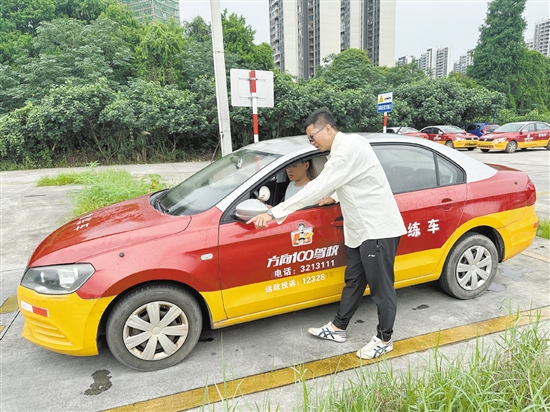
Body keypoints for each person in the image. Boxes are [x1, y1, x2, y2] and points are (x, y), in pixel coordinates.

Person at [248, 109, 406, 359]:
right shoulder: (351, 146)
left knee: (381, 289)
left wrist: (274, 213)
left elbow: (317, 186)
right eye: (310, 139)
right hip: (358, 231)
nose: (313, 143)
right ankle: (338, 327)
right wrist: (333, 196)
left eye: (312, 137)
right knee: (353, 281)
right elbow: (356, 179)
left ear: (328, 129)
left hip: (376, 229)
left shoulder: (345, 152)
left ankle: (385, 339)